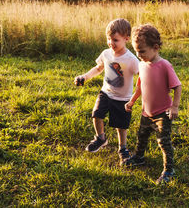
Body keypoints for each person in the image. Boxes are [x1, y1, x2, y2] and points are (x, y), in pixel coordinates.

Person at [74, 18, 139, 165]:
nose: (111, 43)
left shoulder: (131, 59)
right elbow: (98, 68)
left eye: (115, 40)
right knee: (96, 114)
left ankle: (123, 149)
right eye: (108, 39)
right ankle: (100, 138)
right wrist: (85, 76)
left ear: (126, 39)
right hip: (106, 93)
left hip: (123, 99)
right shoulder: (106, 53)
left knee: (121, 126)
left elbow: (142, 75)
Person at [124, 24, 182, 184]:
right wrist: (132, 100)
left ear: (155, 47)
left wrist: (174, 106)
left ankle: (168, 170)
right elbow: (140, 85)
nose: (138, 54)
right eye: (136, 51)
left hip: (162, 113)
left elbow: (177, 86)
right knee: (141, 136)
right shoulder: (142, 64)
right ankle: (139, 157)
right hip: (146, 112)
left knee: (163, 141)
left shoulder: (164, 65)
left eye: (142, 51)